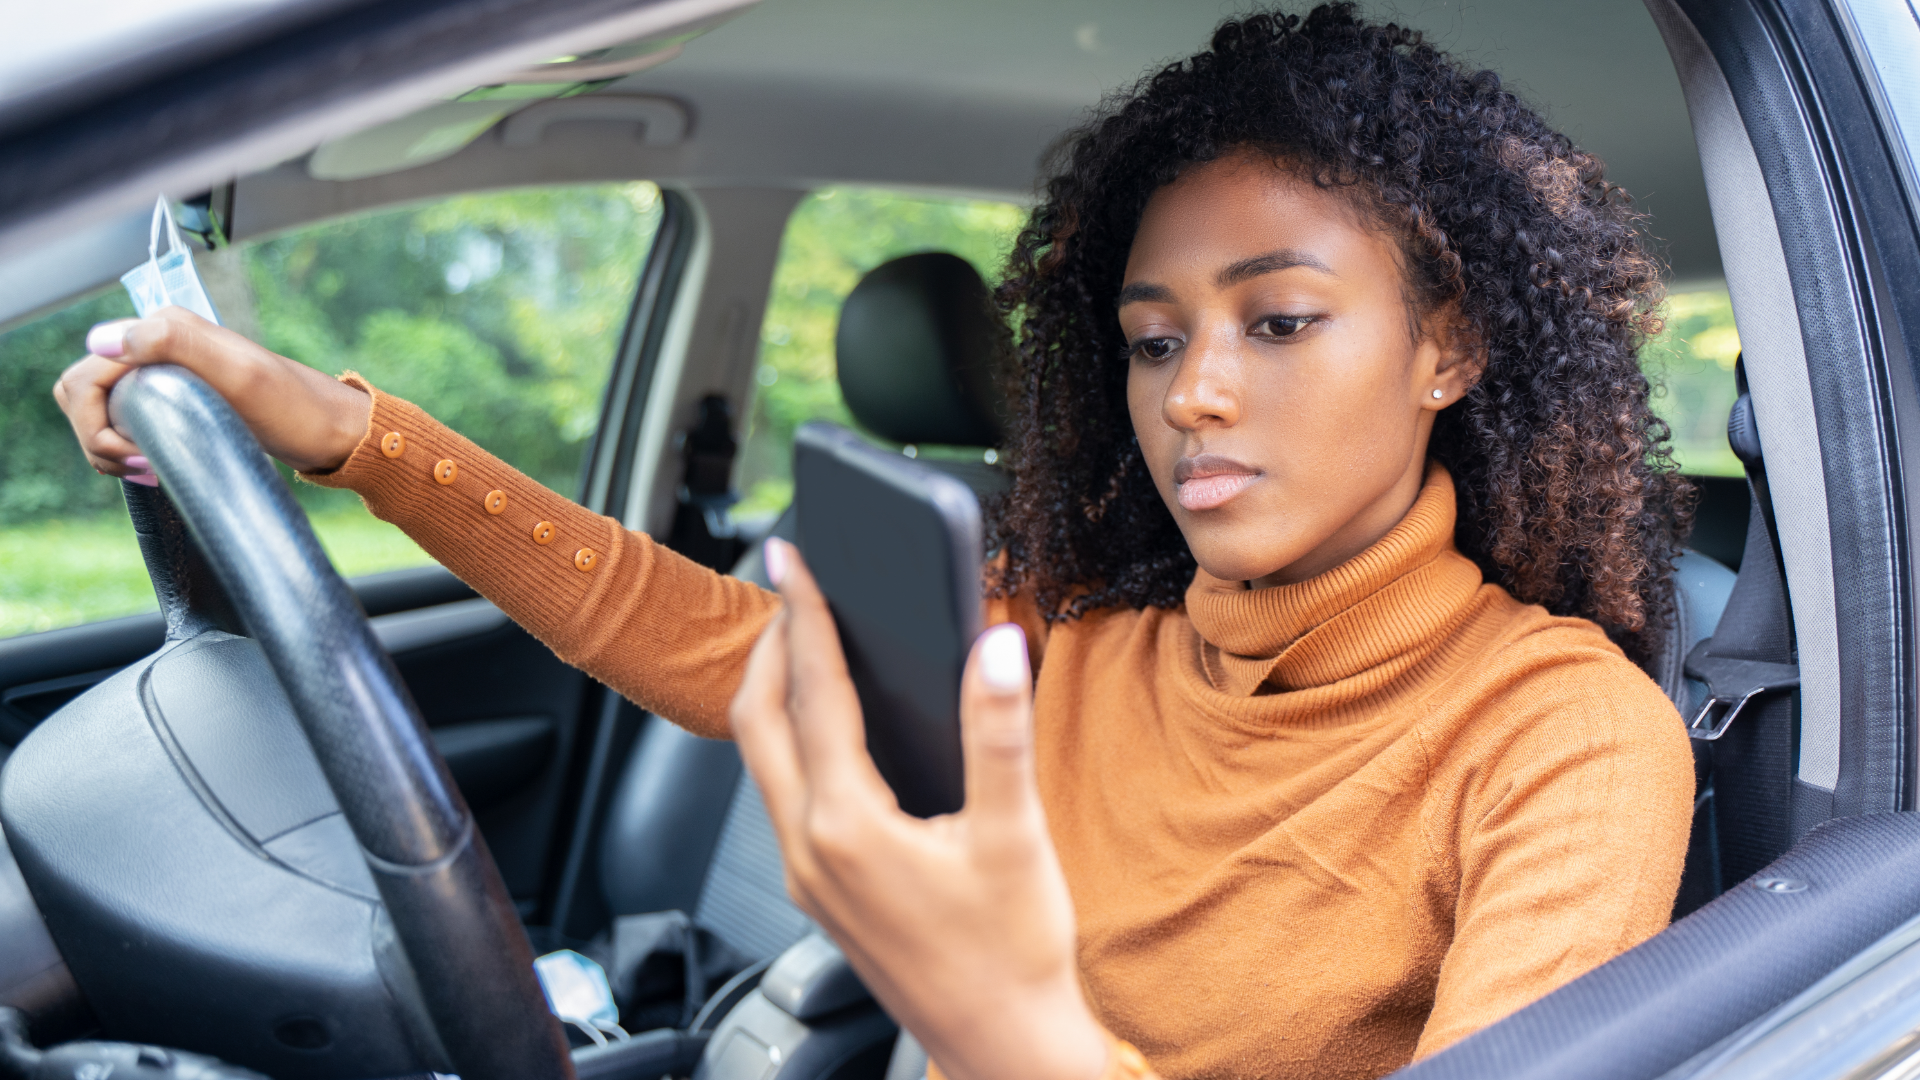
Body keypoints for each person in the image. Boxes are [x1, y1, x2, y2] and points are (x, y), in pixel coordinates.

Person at [54, 6, 1698, 1079]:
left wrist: (1007, 1022)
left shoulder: (1562, 738)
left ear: (1450, 349)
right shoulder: (1084, 629)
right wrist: (351, 435)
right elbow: (705, 640)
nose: (1194, 393)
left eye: (1277, 321)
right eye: (1149, 338)